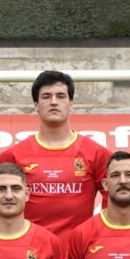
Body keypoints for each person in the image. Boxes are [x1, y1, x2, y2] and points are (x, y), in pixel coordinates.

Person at [11, 69, 108, 233]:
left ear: (71, 104)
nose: (54, 102)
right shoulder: (14, 156)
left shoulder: (97, 154)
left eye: (61, 96)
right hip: (31, 254)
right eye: (46, 96)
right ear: (36, 105)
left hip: (77, 253)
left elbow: (114, 204)